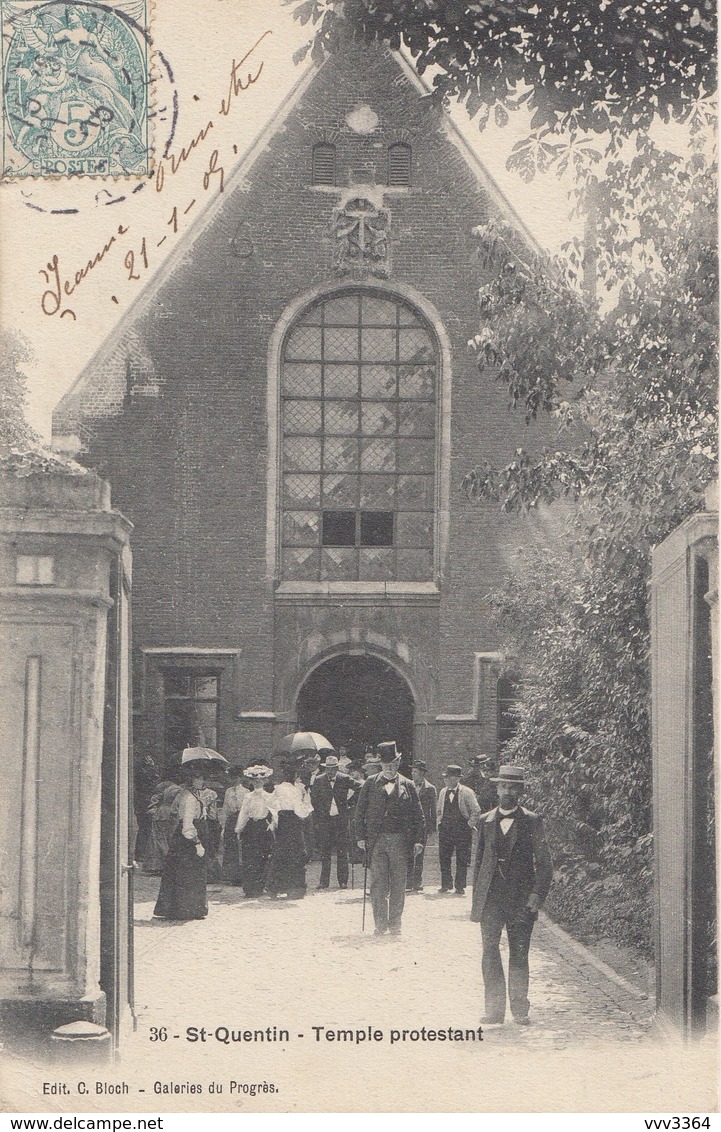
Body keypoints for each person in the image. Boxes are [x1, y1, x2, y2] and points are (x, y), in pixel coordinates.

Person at [470, 765, 553, 1026]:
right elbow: (480, 864)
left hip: (520, 901)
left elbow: (545, 863)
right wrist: (477, 901)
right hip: (491, 900)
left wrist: (537, 896)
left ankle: (520, 1010)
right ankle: (494, 1010)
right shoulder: (485, 822)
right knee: (490, 952)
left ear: (520, 791)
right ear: (496, 789)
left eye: (512, 786)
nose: (507, 791)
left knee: (519, 953)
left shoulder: (532, 821)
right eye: (503, 786)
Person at [354, 741, 424, 937]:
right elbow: (359, 813)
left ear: (399, 762)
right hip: (376, 841)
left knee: (398, 883)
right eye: (385, 764)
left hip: (400, 841)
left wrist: (418, 840)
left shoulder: (408, 785)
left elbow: (419, 816)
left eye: (393, 763)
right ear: (380, 764)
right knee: (378, 884)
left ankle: (395, 924)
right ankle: (380, 924)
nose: (389, 767)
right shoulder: (370, 784)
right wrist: (360, 837)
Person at [153, 762, 211, 921]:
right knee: (186, 875)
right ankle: (184, 909)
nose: (202, 782)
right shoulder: (188, 798)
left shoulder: (193, 796)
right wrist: (197, 842)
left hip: (187, 840)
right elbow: (187, 825)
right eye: (198, 779)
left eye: (202, 778)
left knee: (188, 875)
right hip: (188, 841)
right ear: (191, 780)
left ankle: (189, 908)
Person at [311, 754, 359, 890]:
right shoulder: (319, 780)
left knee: (342, 851)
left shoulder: (344, 778)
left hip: (341, 819)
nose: (330, 771)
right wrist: (319, 816)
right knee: (325, 851)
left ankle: (343, 881)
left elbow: (360, 787)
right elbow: (313, 800)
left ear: (337, 768)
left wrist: (349, 803)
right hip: (325, 820)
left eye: (333, 768)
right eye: (328, 769)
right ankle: (323, 882)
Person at [265, 760, 313, 898]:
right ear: (294, 776)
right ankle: (295, 888)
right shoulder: (297, 790)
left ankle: (274, 888)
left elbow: (271, 803)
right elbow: (300, 811)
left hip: (282, 821)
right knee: (296, 853)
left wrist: (277, 816)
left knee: (281, 853)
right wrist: (305, 802)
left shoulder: (278, 788)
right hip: (293, 821)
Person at [437, 764, 482, 895]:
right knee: (444, 858)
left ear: (456, 779)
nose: (446, 780)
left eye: (449, 777)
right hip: (445, 830)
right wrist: (439, 822)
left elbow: (476, 810)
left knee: (462, 858)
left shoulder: (466, 792)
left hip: (462, 831)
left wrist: (469, 824)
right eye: (445, 777)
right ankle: (446, 884)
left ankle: (460, 886)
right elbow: (439, 810)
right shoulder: (442, 792)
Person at [235, 764, 275, 897]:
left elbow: (275, 812)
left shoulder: (269, 796)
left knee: (263, 857)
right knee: (249, 858)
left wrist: (273, 824)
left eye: (260, 780)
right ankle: (250, 888)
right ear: (251, 782)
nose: (257, 782)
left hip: (263, 828)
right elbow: (244, 813)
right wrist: (239, 828)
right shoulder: (248, 796)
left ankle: (260, 886)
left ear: (265, 781)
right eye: (255, 780)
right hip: (251, 827)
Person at [406, 759, 437, 892]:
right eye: (412, 772)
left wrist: (432, 830)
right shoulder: (407, 785)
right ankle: (407, 882)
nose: (413, 774)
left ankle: (417, 882)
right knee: (407, 853)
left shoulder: (430, 789)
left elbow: (433, 811)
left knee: (419, 854)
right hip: (408, 825)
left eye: (416, 772)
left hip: (422, 826)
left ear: (422, 774)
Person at [143, 774, 182, 875]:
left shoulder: (164, 786)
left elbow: (155, 798)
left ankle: (156, 865)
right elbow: (177, 805)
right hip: (171, 814)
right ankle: (167, 864)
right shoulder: (180, 790)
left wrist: (154, 807)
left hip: (161, 812)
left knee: (158, 839)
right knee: (169, 839)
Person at [219, 766, 248, 885]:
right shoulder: (228, 791)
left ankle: (242, 876)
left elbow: (246, 808)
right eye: (232, 778)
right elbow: (225, 808)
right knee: (230, 847)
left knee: (241, 846)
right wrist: (223, 825)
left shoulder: (245, 791)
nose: (235, 780)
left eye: (237, 777)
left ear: (240, 778)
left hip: (241, 818)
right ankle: (231, 875)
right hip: (231, 820)